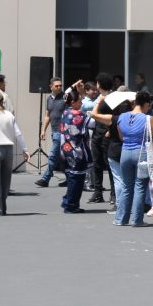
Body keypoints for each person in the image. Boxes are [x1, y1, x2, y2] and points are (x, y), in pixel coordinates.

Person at [115, 92, 153, 226]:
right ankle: (137, 220)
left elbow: (121, 136)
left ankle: (120, 219)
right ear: (146, 104)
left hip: (125, 152)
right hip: (141, 153)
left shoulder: (122, 116)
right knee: (140, 186)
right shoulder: (148, 118)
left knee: (127, 186)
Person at [59, 86, 92, 214]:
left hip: (65, 149)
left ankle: (69, 201)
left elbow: (65, 96)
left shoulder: (65, 112)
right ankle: (71, 205)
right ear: (73, 102)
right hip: (76, 150)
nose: (82, 103)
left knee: (72, 177)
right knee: (77, 179)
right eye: (79, 100)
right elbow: (93, 123)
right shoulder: (79, 115)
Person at [89, 73, 114, 205]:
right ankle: (98, 192)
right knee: (96, 164)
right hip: (97, 133)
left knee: (110, 165)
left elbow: (115, 116)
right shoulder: (99, 97)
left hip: (107, 134)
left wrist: (110, 130)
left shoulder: (111, 98)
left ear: (99, 83)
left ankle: (113, 194)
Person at [36, 78, 65, 188]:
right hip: (55, 131)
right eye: (56, 86)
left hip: (63, 132)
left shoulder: (65, 97)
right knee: (62, 158)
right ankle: (69, 177)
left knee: (53, 155)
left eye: (60, 85)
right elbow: (48, 115)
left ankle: (45, 179)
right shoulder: (49, 99)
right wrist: (43, 130)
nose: (59, 87)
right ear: (51, 87)